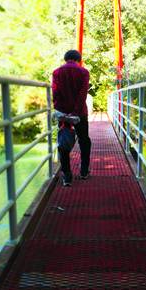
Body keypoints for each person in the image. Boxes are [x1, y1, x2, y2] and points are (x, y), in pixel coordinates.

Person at [52, 50, 91, 187]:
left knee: (63, 142)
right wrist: (74, 112)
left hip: (63, 113)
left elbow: (55, 93)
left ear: (65, 58)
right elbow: (82, 95)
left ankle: (67, 176)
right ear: (78, 59)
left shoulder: (56, 72)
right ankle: (84, 171)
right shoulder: (84, 72)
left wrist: (62, 112)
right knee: (84, 140)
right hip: (79, 113)